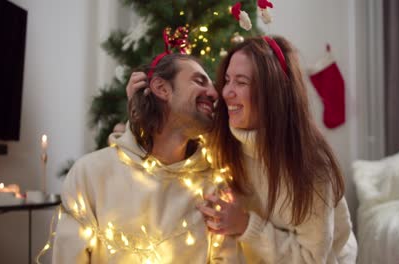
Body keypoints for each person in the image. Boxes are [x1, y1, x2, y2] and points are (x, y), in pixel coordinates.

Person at [128, 35, 357, 263]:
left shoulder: (312, 168)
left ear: (271, 92)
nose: (225, 92)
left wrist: (247, 225)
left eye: (241, 82)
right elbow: (164, 145)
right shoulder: (219, 138)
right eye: (227, 80)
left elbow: (312, 259)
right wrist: (140, 108)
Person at [53, 53, 243, 263]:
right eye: (199, 81)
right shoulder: (91, 173)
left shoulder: (214, 184)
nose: (215, 94)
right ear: (162, 88)